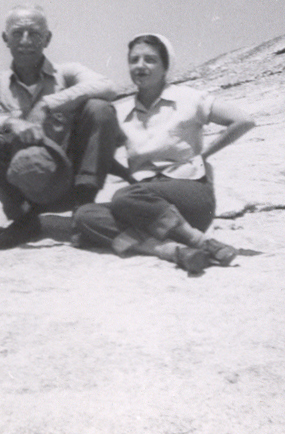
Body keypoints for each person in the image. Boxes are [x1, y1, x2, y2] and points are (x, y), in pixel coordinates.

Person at [72, 33, 256, 276]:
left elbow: (243, 120)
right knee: (85, 216)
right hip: (143, 205)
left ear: (165, 66)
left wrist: (204, 156)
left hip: (190, 194)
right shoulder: (122, 110)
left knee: (124, 197)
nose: (140, 66)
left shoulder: (188, 98)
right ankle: (173, 251)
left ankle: (198, 240)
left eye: (150, 60)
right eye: (134, 60)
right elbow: (99, 151)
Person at [0, 5, 120, 249]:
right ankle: (23, 220)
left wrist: (48, 103)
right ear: (5, 38)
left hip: (71, 184)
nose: (25, 40)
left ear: (47, 38)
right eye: (17, 33)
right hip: (23, 190)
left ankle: (84, 212)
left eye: (34, 33)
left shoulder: (68, 74)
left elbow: (108, 87)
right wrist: (8, 122)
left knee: (99, 109)